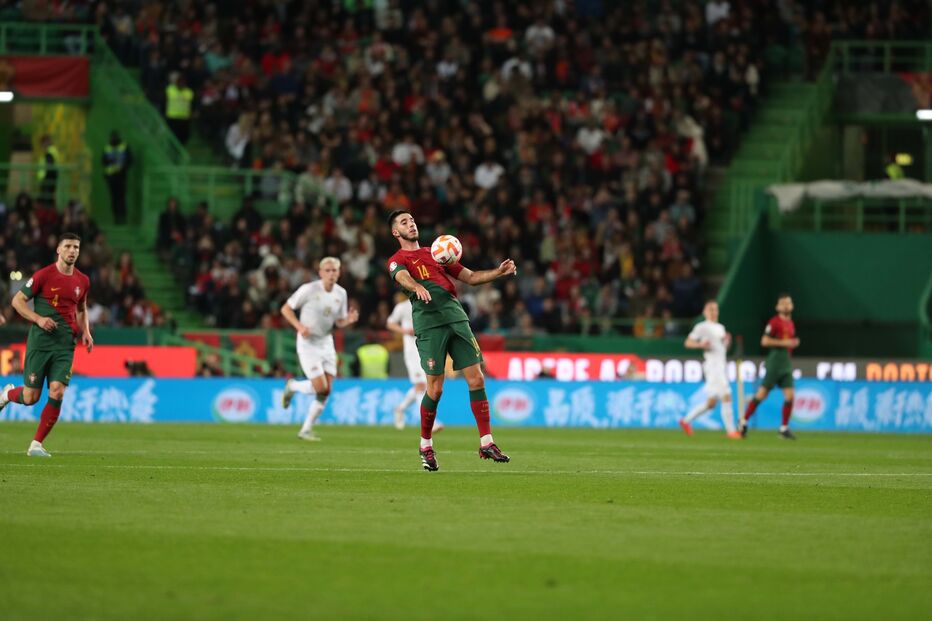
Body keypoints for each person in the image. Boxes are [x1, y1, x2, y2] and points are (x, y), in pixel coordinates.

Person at [386, 210, 515, 471]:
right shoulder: (397, 259)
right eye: (404, 222)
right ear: (395, 232)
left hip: (456, 317)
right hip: (429, 323)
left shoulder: (436, 252)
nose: (411, 224)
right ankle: (425, 446)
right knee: (435, 389)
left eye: (412, 219)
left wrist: (497, 273)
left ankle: (487, 442)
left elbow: (470, 277)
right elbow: (401, 276)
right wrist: (416, 286)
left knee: (477, 377)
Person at [0, 233, 94, 457]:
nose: (73, 251)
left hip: (65, 345)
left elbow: (81, 309)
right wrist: (38, 319)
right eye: (68, 246)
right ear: (59, 250)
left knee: (58, 391)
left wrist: (86, 331)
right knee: (31, 397)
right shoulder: (44, 275)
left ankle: (36, 444)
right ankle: (6, 395)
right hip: (40, 343)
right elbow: (17, 301)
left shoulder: (82, 281)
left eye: (76, 247)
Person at [280, 257, 359, 441]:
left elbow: (337, 321)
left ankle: (306, 429)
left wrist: (347, 321)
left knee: (326, 390)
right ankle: (293, 386)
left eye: (334, 271)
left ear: (339, 273)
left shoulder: (341, 293)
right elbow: (286, 309)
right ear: (321, 272)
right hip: (308, 344)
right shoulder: (308, 289)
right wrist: (299, 326)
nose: (331, 274)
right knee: (320, 386)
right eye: (328, 270)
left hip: (326, 342)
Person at [739, 294, 800, 440]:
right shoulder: (774, 322)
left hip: (786, 363)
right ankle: (743, 421)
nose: (786, 306)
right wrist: (784, 343)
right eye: (783, 303)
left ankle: (783, 428)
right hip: (775, 362)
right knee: (762, 394)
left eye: (788, 303)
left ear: (791, 306)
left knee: (790, 396)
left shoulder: (790, 323)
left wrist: (791, 344)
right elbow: (764, 341)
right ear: (777, 307)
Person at [679, 300, 739, 439]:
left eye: (715, 309)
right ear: (704, 312)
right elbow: (688, 343)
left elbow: (722, 349)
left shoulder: (720, 327)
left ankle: (685, 421)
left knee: (711, 403)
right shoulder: (702, 327)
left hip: (721, 365)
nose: (713, 312)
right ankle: (731, 431)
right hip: (713, 367)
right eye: (710, 309)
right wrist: (700, 344)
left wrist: (727, 342)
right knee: (726, 395)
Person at [385, 292, 443, 433]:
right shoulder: (403, 307)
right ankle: (430, 422)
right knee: (421, 385)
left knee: (428, 384)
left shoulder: (426, 304)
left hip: (427, 349)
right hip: (412, 352)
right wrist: (404, 330)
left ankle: (400, 408)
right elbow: (390, 323)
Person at [102, 130, 132, 224]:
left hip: (121, 177)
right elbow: (103, 162)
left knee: (121, 198)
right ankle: (116, 218)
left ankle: (122, 217)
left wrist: (123, 168)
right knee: (114, 199)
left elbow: (130, 160)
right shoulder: (107, 148)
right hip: (112, 178)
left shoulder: (124, 147)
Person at [36, 134, 60, 205]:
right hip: (48, 179)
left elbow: (50, 167)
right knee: (48, 199)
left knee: (47, 200)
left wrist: (45, 180)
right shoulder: (51, 151)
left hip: (47, 179)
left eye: (43, 143)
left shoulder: (50, 152)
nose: (42, 145)